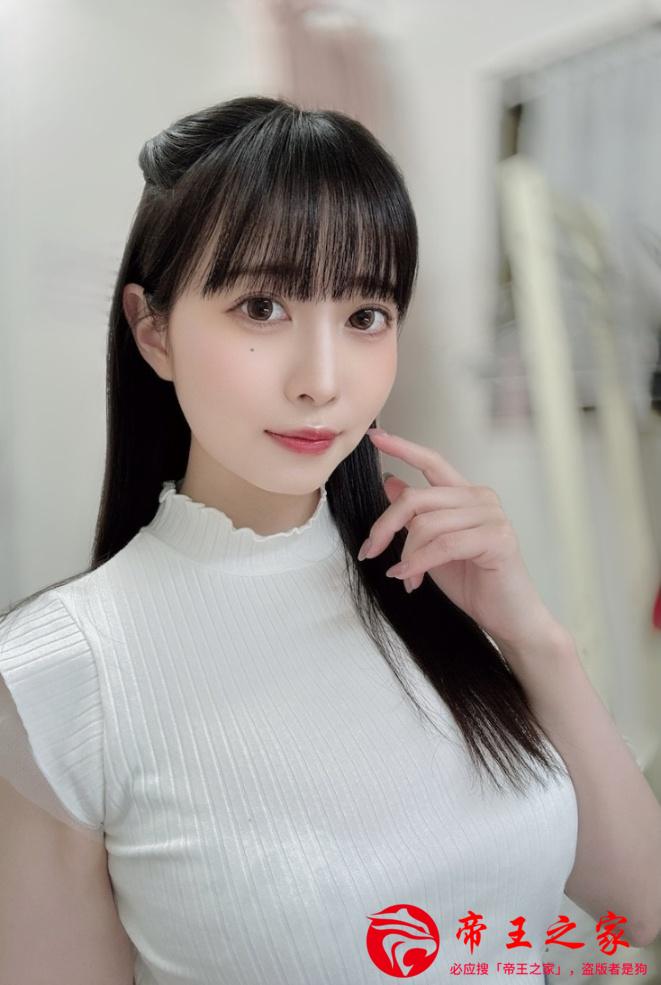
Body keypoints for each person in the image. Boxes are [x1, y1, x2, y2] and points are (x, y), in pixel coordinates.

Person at [0, 94, 589, 984]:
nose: (322, 381)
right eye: (262, 306)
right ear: (153, 329)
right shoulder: (59, 672)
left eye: (365, 316)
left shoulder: (432, 583)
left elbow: (637, 901)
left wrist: (533, 634)